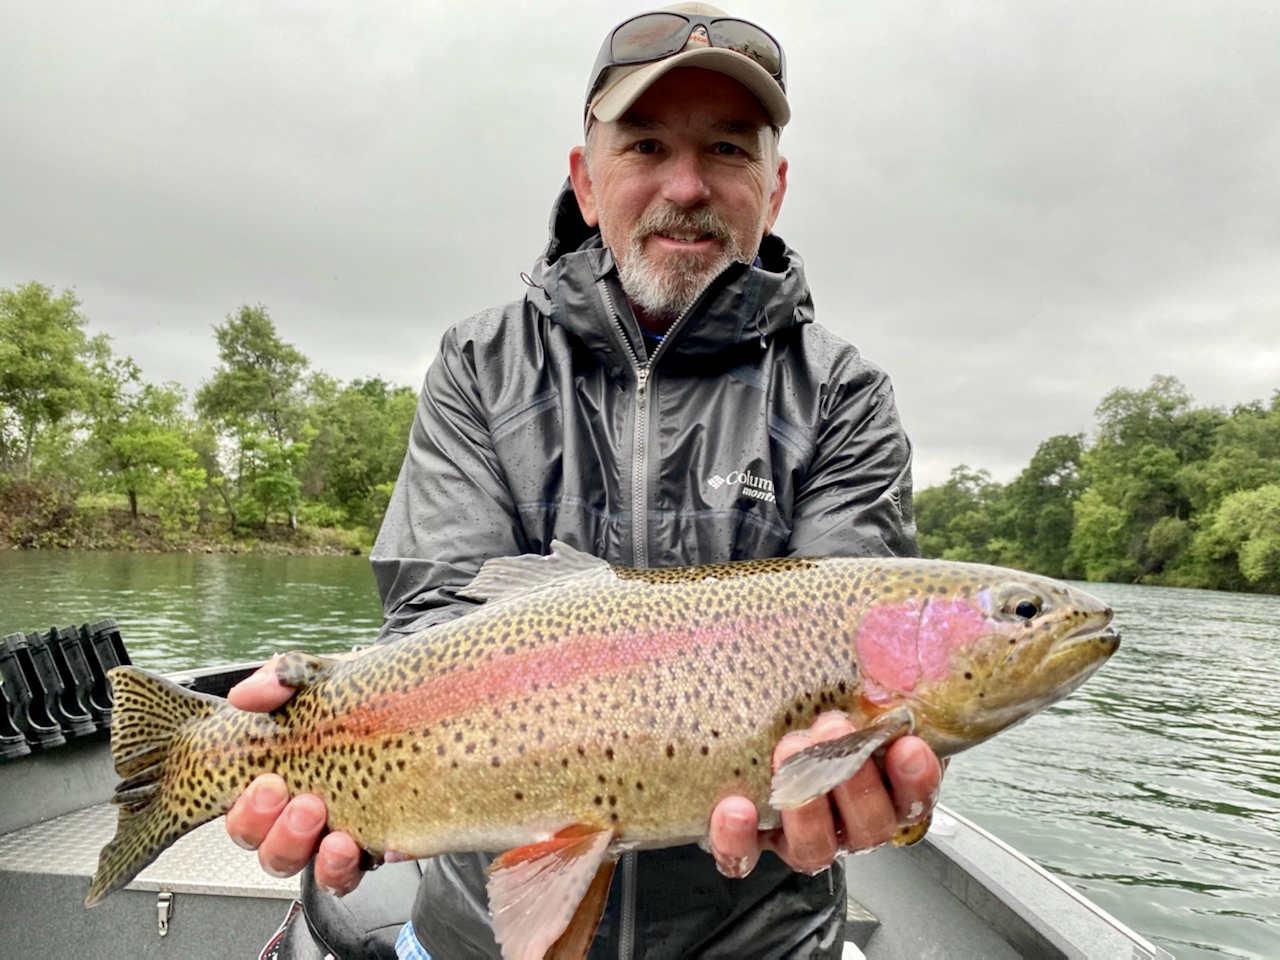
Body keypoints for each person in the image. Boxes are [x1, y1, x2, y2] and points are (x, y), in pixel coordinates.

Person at [227, 4, 944, 957]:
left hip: (758, 939)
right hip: (478, 931)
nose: (685, 185)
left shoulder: (843, 394)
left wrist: (877, 780)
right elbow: (439, 612)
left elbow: (849, 642)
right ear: (585, 179)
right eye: (646, 144)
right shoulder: (480, 364)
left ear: (773, 188)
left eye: (728, 149)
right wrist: (346, 734)